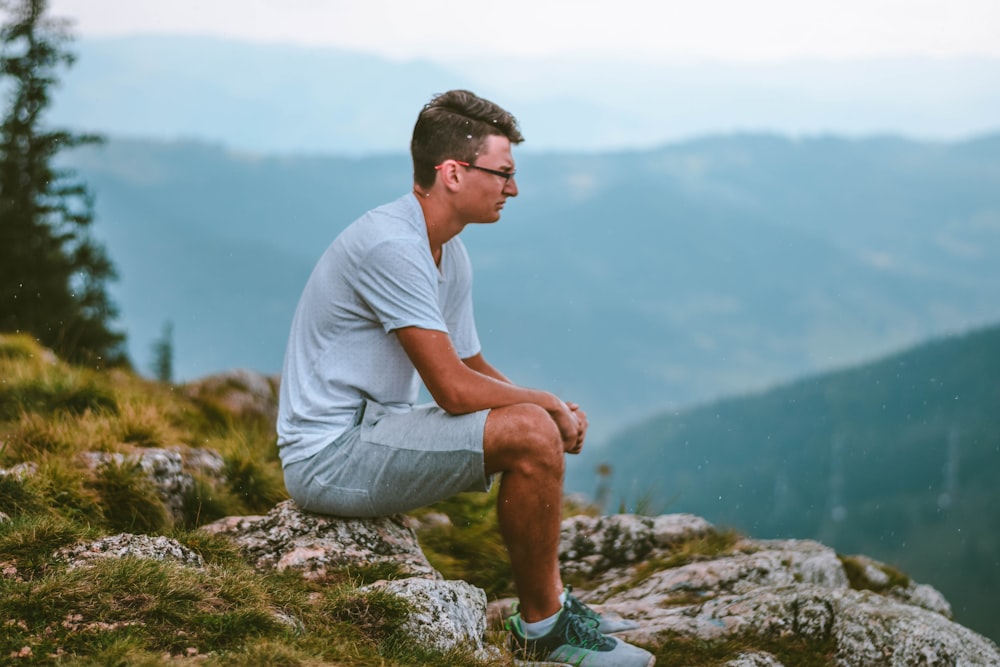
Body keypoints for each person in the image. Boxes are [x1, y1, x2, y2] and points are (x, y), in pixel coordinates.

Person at [276, 89, 654, 667]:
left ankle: (552, 609)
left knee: (533, 427)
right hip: (330, 457)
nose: (513, 188)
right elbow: (451, 389)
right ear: (452, 172)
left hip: (376, 431)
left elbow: (471, 364)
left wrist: (546, 410)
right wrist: (545, 409)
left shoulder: (446, 250)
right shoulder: (392, 247)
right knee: (529, 435)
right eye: (503, 173)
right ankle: (546, 631)